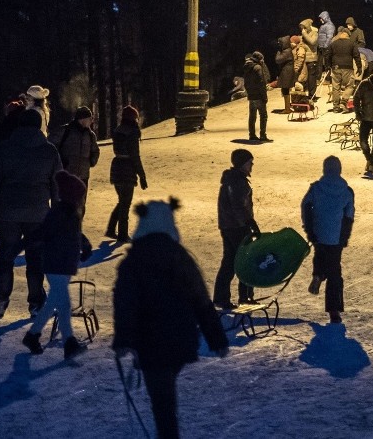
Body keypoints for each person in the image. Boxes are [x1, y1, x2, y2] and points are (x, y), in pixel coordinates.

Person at [113, 198, 228, 439]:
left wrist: (123, 339)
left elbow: (125, 303)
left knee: (162, 403)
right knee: (164, 398)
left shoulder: (132, 262)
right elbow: (201, 301)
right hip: (180, 339)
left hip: (149, 343)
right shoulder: (181, 258)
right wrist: (216, 338)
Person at [0, 108, 62, 318]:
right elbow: (57, 187)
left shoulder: (5, 148)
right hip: (38, 214)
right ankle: (36, 303)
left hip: (8, 213)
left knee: (5, 258)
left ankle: (0, 302)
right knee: (35, 259)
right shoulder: (49, 151)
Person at [22, 170, 91, 359]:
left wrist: (85, 246)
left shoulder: (69, 213)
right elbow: (44, 231)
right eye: (79, 195)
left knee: (54, 303)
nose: (81, 199)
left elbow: (75, 234)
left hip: (63, 263)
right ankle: (69, 343)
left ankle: (33, 335)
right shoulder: (60, 212)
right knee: (64, 305)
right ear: (72, 195)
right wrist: (22, 244)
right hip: (56, 263)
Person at [302, 156, 355, 324]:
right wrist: (345, 236)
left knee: (320, 254)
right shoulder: (346, 191)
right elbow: (349, 215)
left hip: (319, 232)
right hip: (336, 235)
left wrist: (309, 229)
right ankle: (334, 311)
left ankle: (318, 273)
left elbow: (305, 205)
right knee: (335, 271)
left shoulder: (316, 188)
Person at [214, 149, 259, 310]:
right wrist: (249, 222)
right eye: (249, 162)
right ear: (242, 164)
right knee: (245, 261)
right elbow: (238, 206)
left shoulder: (233, 179)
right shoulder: (237, 182)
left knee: (230, 262)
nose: (252, 165)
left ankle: (222, 297)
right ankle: (244, 297)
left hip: (229, 226)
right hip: (237, 227)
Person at [106, 105, 148, 243]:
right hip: (127, 169)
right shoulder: (132, 133)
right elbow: (135, 156)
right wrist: (142, 176)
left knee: (122, 201)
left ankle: (111, 228)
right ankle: (122, 234)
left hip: (117, 167)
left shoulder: (118, 131)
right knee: (126, 203)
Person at [53, 106, 100, 214]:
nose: (92, 121)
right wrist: (60, 162)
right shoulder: (66, 131)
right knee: (66, 205)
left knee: (81, 206)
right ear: (83, 119)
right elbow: (52, 146)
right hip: (67, 175)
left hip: (83, 176)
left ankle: (77, 229)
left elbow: (95, 151)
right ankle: (65, 229)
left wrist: (92, 162)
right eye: (90, 118)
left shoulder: (90, 135)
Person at [327, 26, 362, 113]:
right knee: (350, 86)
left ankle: (336, 107)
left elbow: (328, 55)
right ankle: (344, 101)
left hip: (335, 67)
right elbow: (357, 56)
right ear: (348, 35)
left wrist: (329, 66)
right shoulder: (352, 43)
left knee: (336, 87)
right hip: (348, 68)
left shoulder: (333, 43)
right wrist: (359, 67)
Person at [243, 51, 272, 142]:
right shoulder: (258, 67)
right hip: (259, 95)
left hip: (251, 95)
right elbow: (261, 83)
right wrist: (264, 96)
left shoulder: (247, 67)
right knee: (263, 116)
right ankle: (262, 135)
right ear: (259, 59)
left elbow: (246, 83)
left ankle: (252, 135)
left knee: (252, 116)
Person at [274, 35, 295, 113]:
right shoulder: (288, 50)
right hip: (287, 72)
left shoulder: (287, 51)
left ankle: (287, 109)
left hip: (287, 73)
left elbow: (278, 60)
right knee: (285, 90)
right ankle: (287, 107)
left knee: (285, 90)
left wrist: (278, 51)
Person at [300, 18, 320, 97]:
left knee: (311, 78)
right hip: (305, 59)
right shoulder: (304, 34)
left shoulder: (314, 33)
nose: (303, 29)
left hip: (311, 59)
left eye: (304, 27)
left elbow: (312, 42)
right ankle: (305, 93)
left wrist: (304, 34)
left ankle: (312, 95)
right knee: (305, 78)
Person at [317, 11, 336, 75]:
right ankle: (319, 78)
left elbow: (330, 37)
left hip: (326, 48)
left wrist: (325, 46)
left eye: (321, 18)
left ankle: (328, 78)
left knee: (327, 64)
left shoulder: (330, 26)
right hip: (321, 47)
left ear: (325, 17)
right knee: (320, 64)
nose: (320, 20)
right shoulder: (324, 25)